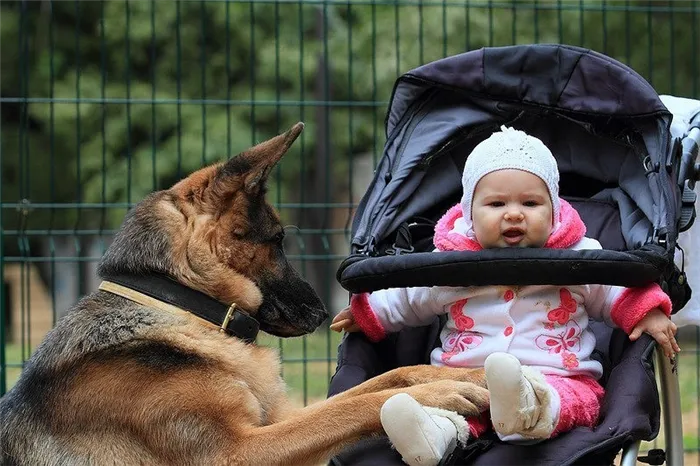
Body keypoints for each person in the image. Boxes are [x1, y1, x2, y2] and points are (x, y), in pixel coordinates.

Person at [330, 126, 680, 466]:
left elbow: (615, 286)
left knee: (566, 400)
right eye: (496, 203)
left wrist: (647, 311)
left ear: (554, 209)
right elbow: (406, 296)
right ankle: (433, 436)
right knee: (446, 407)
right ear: (469, 211)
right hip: (463, 381)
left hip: (559, 379)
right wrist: (368, 315)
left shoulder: (578, 256)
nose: (514, 213)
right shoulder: (449, 264)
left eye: (530, 202)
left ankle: (524, 406)